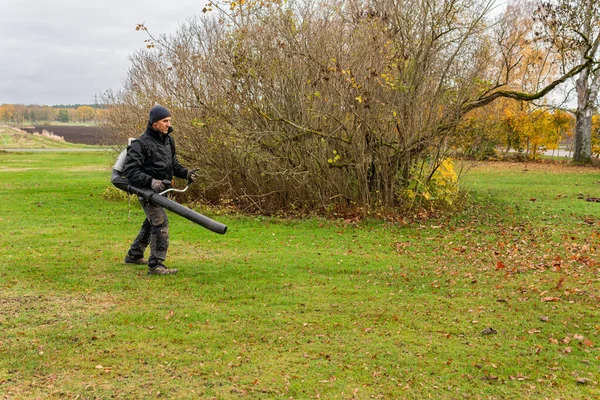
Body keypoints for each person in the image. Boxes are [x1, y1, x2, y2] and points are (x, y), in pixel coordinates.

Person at [122, 104, 197, 275]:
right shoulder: (141, 144)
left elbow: (173, 165)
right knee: (160, 223)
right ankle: (156, 265)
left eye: (169, 121)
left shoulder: (168, 141)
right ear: (154, 123)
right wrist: (151, 181)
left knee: (152, 222)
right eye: (165, 121)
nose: (168, 124)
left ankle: (134, 255)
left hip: (163, 191)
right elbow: (131, 171)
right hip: (147, 192)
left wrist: (186, 173)